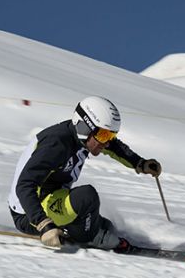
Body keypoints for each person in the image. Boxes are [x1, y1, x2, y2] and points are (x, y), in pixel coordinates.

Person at [8, 96, 162, 250]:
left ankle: (91, 233)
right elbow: (24, 185)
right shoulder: (56, 144)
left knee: (107, 227)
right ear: (84, 127)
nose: (107, 142)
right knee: (87, 197)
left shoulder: (84, 138)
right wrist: (44, 225)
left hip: (52, 198)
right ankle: (90, 238)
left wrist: (140, 163)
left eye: (110, 135)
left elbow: (114, 147)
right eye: (103, 135)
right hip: (29, 214)